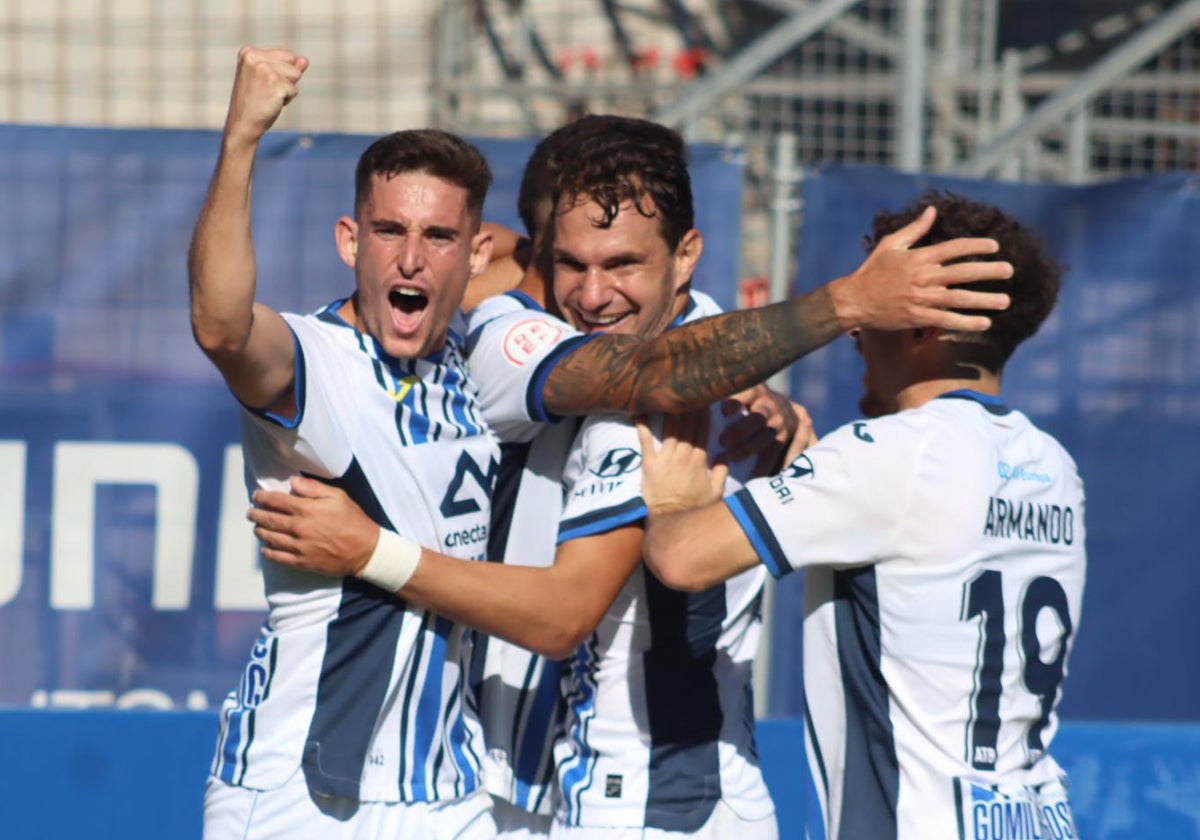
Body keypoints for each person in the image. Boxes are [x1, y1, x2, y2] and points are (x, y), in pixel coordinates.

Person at [244, 123, 1011, 838]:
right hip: (522, 787)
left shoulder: (719, 361)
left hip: (674, 803)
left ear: (686, 256)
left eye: (622, 266)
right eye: (570, 265)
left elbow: (681, 382)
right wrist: (843, 305)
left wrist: (765, 413)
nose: (594, 294)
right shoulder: (514, 341)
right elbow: (655, 370)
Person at [636, 190, 1085, 840]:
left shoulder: (893, 454)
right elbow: (917, 553)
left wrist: (674, 499)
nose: (853, 330)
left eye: (876, 304)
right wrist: (812, 470)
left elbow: (681, 557)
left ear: (922, 326)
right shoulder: (1055, 467)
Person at [190, 48, 502, 839]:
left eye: (438, 236)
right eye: (388, 229)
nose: (409, 256)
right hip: (298, 793)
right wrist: (242, 140)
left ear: (478, 255)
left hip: (445, 787)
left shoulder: (480, 368)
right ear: (348, 240)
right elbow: (223, 327)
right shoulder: (320, 364)